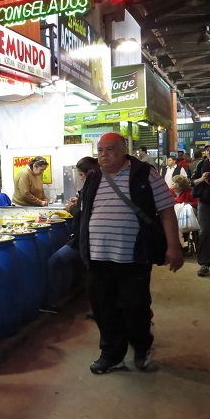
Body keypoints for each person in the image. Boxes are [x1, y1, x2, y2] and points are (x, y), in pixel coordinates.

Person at [79, 132, 183, 374]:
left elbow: (167, 210)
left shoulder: (145, 174)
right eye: (100, 150)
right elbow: (85, 214)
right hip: (98, 257)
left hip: (133, 257)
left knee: (135, 308)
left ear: (124, 149)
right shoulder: (93, 176)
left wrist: (173, 245)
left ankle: (141, 348)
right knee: (103, 308)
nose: (103, 155)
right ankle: (112, 354)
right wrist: (83, 250)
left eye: (110, 149)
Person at [41, 156, 98, 313]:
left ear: (88, 172)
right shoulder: (97, 186)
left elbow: (85, 214)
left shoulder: (92, 187)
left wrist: (71, 209)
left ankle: (52, 303)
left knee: (54, 262)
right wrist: (79, 200)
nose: (81, 178)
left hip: (82, 240)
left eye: (81, 175)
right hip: (86, 238)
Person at [189, 143, 210, 277]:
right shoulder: (201, 165)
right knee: (205, 232)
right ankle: (204, 263)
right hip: (205, 202)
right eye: (208, 151)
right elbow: (191, 181)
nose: (209, 152)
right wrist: (202, 179)